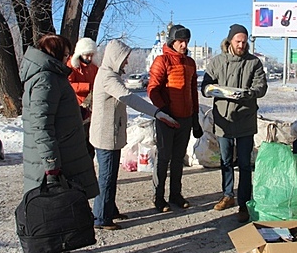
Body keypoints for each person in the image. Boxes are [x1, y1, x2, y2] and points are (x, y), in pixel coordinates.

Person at [20, 33, 99, 253]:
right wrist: (51, 162)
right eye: (65, 54)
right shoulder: (46, 79)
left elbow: (57, 113)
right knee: (53, 206)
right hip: (53, 156)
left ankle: (57, 249)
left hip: (59, 152)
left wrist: (79, 115)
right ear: (54, 54)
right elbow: (42, 125)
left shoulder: (51, 76)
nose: (68, 59)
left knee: (59, 204)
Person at [90, 39, 179, 230]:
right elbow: (129, 98)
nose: (127, 63)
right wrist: (157, 113)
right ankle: (100, 217)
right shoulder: (108, 78)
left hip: (110, 134)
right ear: (115, 58)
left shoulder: (110, 75)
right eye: (125, 59)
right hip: (105, 136)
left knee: (111, 175)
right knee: (106, 177)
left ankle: (109, 209)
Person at [201, 24, 268, 223]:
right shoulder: (217, 62)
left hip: (245, 119)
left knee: (245, 165)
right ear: (230, 41)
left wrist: (250, 93)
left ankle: (244, 204)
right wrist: (209, 89)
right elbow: (205, 85)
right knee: (226, 161)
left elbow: (261, 87)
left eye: (244, 42)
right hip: (223, 120)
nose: (241, 45)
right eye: (238, 41)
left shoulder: (254, 62)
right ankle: (228, 195)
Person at [147, 24, 202, 212]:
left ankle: (175, 194)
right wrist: (164, 110)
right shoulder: (162, 61)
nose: (184, 45)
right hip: (166, 118)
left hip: (185, 119)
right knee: (163, 158)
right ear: (172, 41)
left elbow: (193, 92)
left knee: (179, 158)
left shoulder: (190, 63)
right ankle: (158, 196)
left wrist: (195, 118)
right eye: (180, 41)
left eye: (186, 41)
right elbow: (152, 89)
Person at [66, 37, 98, 158]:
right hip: (76, 105)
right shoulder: (71, 65)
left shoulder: (94, 67)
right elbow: (68, 85)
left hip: (91, 107)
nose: (89, 58)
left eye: (91, 55)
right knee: (79, 138)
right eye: (86, 55)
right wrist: (88, 86)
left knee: (89, 138)